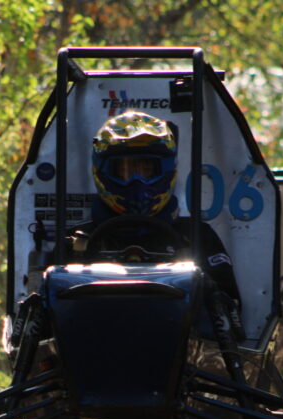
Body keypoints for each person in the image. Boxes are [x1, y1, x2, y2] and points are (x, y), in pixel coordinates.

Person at [82, 110, 241, 302]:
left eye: (147, 170)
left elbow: (231, 312)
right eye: (125, 170)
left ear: (168, 171)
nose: (137, 182)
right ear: (103, 173)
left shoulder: (196, 238)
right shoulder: (79, 243)